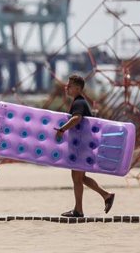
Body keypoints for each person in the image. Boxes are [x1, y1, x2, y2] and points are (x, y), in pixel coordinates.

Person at [56, 74, 115, 217]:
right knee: (80, 178)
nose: (66, 88)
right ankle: (106, 196)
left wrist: (62, 129)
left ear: (77, 88)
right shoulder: (80, 102)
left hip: (81, 147)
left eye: (69, 86)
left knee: (77, 177)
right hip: (84, 146)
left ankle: (79, 210)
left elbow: (77, 118)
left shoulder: (79, 103)